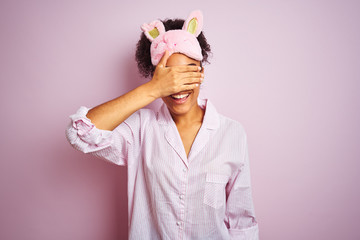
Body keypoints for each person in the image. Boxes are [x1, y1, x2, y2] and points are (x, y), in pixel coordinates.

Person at [66, 10, 259, 239]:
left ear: (201, 73)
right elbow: (80, 133)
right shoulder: (140, 130)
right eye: (168, 77)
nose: (177, 87)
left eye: (186, 73)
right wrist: (153, 90)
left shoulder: (232, 133)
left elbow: (242, 222)